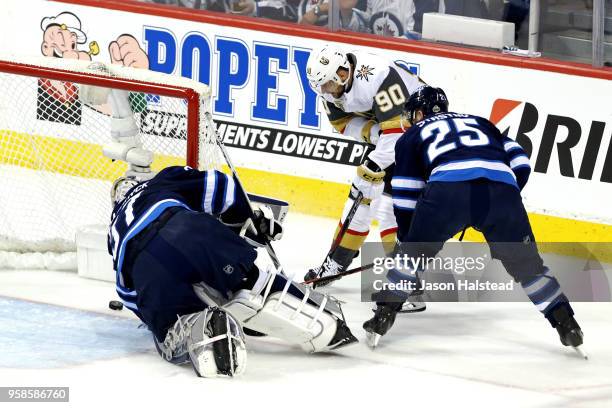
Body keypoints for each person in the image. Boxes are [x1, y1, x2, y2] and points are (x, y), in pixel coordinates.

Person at [362, 87, 585, 356]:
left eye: (411, 115)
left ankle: (382, 317)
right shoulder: (482, 122)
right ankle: (567, 324)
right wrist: (502, 196)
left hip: (447, 192)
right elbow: (521, 161)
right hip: (501, 193)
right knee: (529, 267)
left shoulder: (410, 136)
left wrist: (409, 242)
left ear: (419, 113)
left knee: (409, 259)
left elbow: (406, 194)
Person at [108, 166, 357, 377]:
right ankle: (323, 315)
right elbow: (220, 185)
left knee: (174, 328)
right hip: (188, 229)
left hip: (145, 268)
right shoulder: (161, 181)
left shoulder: (113, 234)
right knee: (253, 281)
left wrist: (155, 318)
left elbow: (126, 290)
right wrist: (248, 219)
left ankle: (197, 324)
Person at [303, 44, 426, 288]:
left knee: (388, 205)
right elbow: (344, 124)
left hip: (420, 131)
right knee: (363, 194)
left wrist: (375, 161)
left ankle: (406, 279)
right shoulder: (330, 88)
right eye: (320, 87)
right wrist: (375, 133)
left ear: (342, 73)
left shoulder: (377, 75)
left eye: (328, 85)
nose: (325, 92)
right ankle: (338, 260)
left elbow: (399, 132)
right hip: (391, 132)